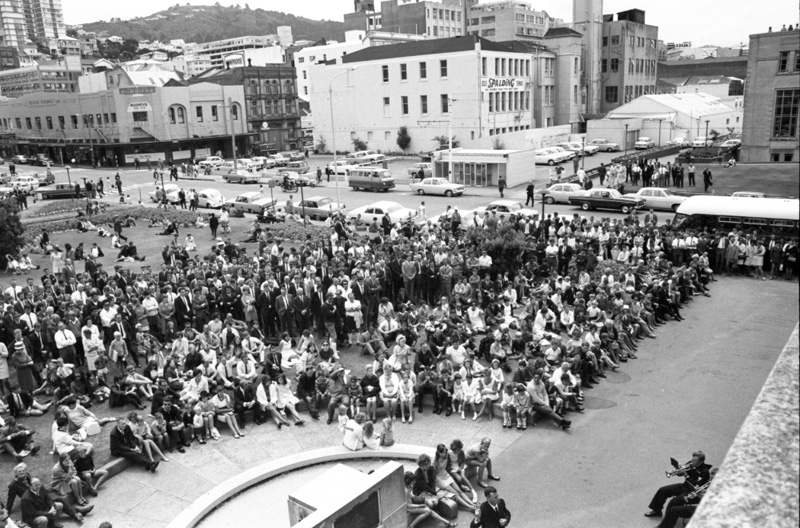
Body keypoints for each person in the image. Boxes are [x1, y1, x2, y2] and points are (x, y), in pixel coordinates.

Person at [645, 451, 711, 518]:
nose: (692, 461)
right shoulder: (690, 464)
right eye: (692, 459)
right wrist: (678, 472)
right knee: (663, 490)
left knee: (673, 502)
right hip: (685, 486)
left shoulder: (705, 472)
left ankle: (667, 521)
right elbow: (683, 472)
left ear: (701, 462)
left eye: (695, 460)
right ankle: (657, 511)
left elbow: (696, 485)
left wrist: (686, 475)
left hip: (692, 492)